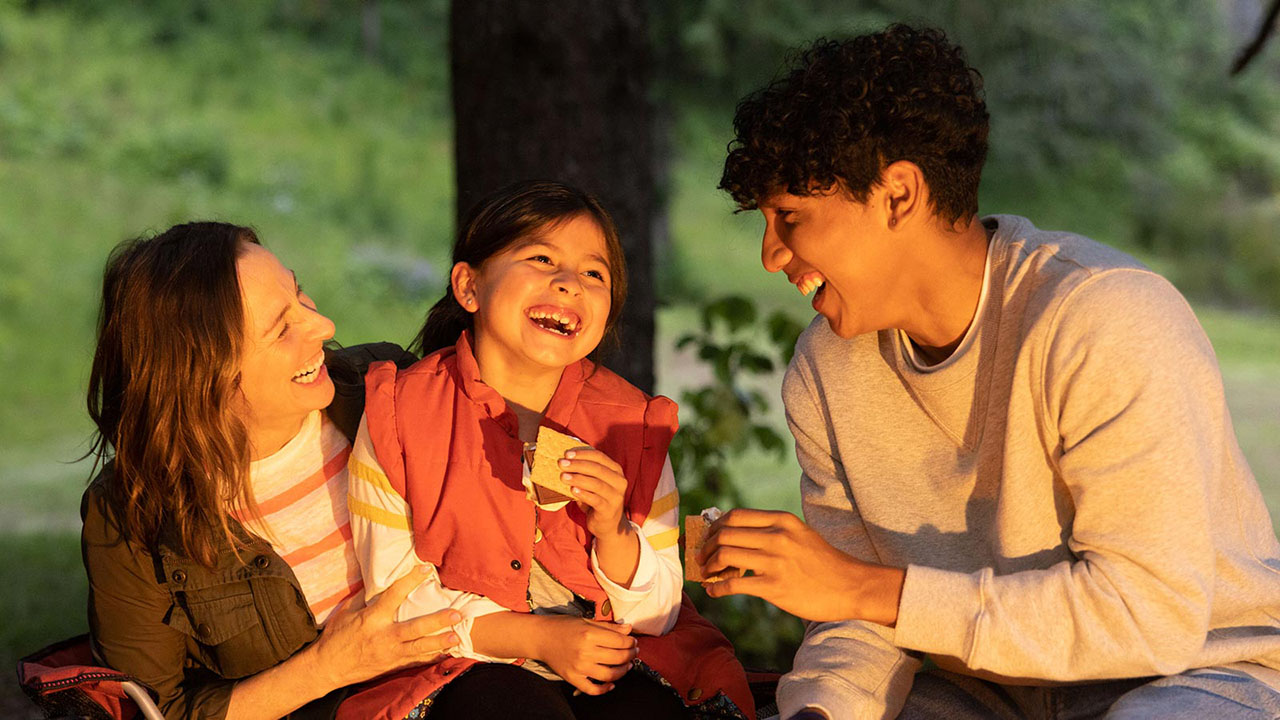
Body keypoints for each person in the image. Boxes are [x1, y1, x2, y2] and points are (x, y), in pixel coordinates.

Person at [698, 24, 1280, 720]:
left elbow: (1146, 616)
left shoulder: (1103, 318)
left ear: (897, 195)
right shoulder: (825, 371)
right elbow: (850, 622)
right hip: (983, 689)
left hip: (1189, 674)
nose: (770, 254)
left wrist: (865, 590)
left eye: (789, 217)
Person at [342, 181, 754, 720]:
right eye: (541, 258)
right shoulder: (399, 413)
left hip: (617, 654)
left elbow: (659, 614)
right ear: (469, 287)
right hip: (462, 664)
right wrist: (538, 638)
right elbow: (396, 604)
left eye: (594, 273)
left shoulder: (633, 423)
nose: (569, 285)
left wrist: (615, 532)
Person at [82, 222, 461, 720]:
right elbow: (154, 712)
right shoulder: (128, 515)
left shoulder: (386, 388)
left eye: (300, 293)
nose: (323, 325)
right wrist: (327, 668)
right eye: (282, 328)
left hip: (466, 680)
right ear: (201, 376)